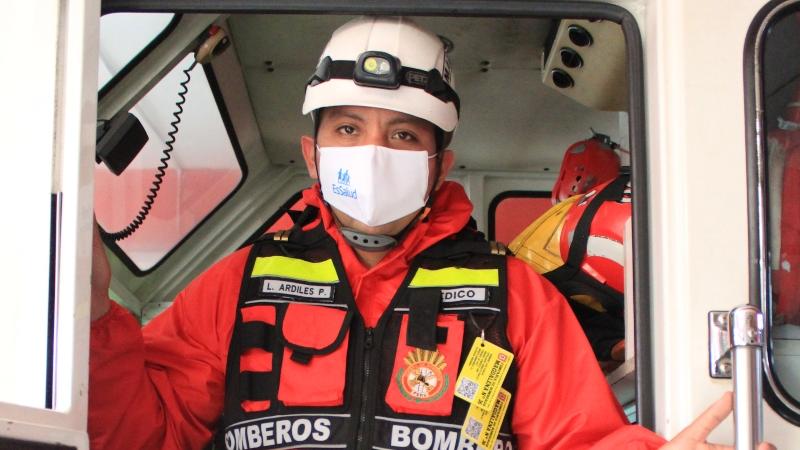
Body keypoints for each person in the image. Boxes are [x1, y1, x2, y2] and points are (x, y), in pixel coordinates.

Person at [89, 16, 774, 450]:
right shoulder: (238, 285)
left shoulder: (515, 295)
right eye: (348, 129)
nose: (373, 152)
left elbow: (579, 439)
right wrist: (91, 319)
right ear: (313, 155)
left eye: (403, 136)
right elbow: (145, 435)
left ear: (440, 164)